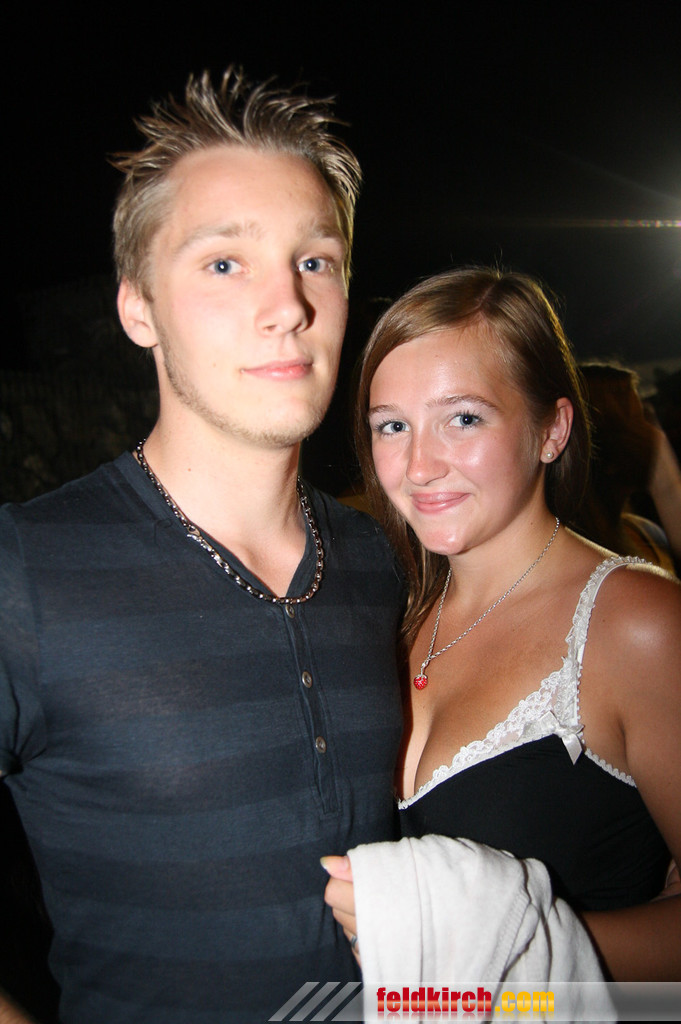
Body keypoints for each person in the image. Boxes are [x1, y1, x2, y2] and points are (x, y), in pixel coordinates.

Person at [0, 69, 404, 1024]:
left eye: (315, 260)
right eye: (224, 263)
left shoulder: (383, 560)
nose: (287, 305)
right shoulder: (27, 571)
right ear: (137, 309)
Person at [324, 267, 681, 983]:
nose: (419, 467)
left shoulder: (636, 624)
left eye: (463, 418)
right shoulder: (387, 614)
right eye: (392, 426)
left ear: (551, 429)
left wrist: (500, 942)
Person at [573, 360, 680, 574]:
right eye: (640, 419)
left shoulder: (645, 532)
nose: (655, 433)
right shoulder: (583, 556)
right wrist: (665, 482)